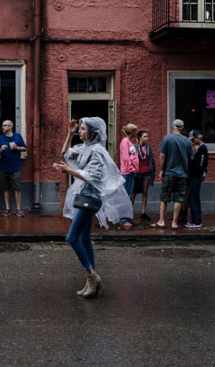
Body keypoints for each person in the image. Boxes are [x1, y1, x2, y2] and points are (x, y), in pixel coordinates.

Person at [53, 118, 133, 298]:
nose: (80, 132)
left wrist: (70, 172)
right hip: (85, 197)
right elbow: (65, 154)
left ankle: (91, 275)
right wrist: (69, 133)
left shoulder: (97, 151)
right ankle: (92, 282)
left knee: (72, 238)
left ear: (93, 132)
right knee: (85, 239)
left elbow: (95, 177)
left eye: (82, 129)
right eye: (79, 129)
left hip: (90, 198)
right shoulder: (85, 148)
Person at [152, 119, 193, 229]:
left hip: (169, 172)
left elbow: (162, 156)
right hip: (182, 174)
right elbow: (191, 157)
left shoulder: (167, 138)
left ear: (172, 127)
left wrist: (161, 170)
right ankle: (174, 222)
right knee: (179, 199)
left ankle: (162, 221)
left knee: (164, 197)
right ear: (182, 128)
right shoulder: (187, 141)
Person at [0, 120, 27, 217]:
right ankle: (7, 209)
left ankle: (19, 209)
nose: (3, 127)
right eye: (2, 125)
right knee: (6, 189)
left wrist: (17, 148)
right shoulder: (0, 138)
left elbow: (24, 148)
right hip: (3, 167)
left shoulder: (17, 136)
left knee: (18, 188)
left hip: (15, 166)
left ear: (10, 126)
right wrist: (2, 149)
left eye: (5, 125)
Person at [183, 130, 208, 228]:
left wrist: (199, 174)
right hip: (194, 176)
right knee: (194, 197)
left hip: (196, 176)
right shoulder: (196, 147)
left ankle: (196, 221)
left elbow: (201, 163)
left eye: (194, 139)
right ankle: (196, 220)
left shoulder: (202, 148)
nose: (192, 141)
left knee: (192, 197)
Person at [132, 130, 155, 221]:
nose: (147, 138)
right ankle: (130, 211)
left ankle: (143, 212)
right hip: (137, 173)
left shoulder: (149, 148)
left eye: (147, 136)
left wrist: (153, 171)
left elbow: (152, 161)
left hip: (146, 172)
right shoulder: (134, 147)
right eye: (145, 136)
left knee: (145, 192)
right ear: (139, 137)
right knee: (134, 192)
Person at [118, 123, 139, 228]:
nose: (137, 132)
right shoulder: (125, 142)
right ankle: (123, 219)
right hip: (127, 172)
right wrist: (131, 169)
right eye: (135, 131)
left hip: (131, 172)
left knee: (129, 195)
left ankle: (129, 217)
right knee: (125, 196)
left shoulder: (129, 142)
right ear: (132, 132)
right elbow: (126, 158)